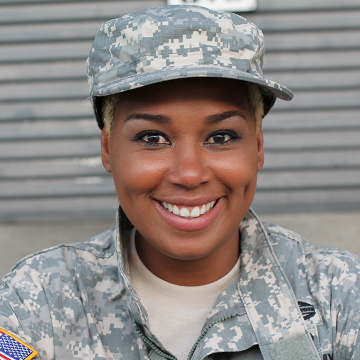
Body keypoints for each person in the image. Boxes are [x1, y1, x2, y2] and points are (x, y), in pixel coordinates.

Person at [0, 4, 359, 360]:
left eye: (221, 137)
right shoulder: (41, 297)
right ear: (108, 149)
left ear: (258, 147)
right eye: (152, 138)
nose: (189, 174)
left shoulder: (337, 294)